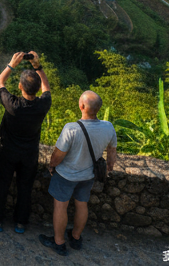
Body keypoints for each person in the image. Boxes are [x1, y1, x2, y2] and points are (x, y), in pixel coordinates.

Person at [39, 91, 117, 256]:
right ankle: (75, 237)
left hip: (66, 175)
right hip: (88, 175)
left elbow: (57, 156)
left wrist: (52, 166)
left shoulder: (71, 128)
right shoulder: (108, 126)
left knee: (61, 206)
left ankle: (59, 242)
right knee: (82, 204)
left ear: (81, 106)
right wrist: (110, 164)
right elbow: (112, 152)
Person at [0, 52, 51, 234]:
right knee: (25, 187)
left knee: (2, 184)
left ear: (19, 86)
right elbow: (46, 88)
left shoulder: (13, 104)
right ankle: (21, 223)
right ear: (37, 89)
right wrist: (38, 66)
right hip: (29, 153)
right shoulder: (43, 104)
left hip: (8, 150)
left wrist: (11, 65)